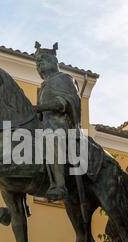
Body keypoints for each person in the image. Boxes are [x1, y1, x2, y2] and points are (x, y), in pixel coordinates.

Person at [34, 41, 81, 201]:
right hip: (45, 124)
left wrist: (39, 108)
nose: (38, 64)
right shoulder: (44, 85)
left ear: (53, 61)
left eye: (42, 60)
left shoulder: (64, 79)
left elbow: (66, 102)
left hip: (61, 125)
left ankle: (59, 185)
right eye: (37, 62)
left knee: (52, 137)